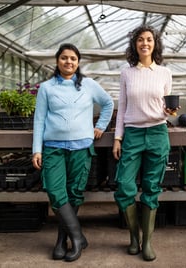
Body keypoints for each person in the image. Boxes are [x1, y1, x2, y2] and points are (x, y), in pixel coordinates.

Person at [32, 43, 114, 262]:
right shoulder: (46, 88)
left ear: (78, 63)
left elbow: (108, 103)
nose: (68, 62)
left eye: (73, 59)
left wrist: (101, 126)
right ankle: (78, 239)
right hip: (53, 149)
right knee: (55, 192)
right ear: (57, 61)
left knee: (74, 193)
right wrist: (36, 150)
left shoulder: (88, 85)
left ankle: (61, 241)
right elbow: (39, 119)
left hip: (81, 147)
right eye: (64, 58)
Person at [112, 25, 177, 261]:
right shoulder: (126, 73)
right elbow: (122, 110)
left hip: (158, 132)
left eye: (149, 39)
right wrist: (118, 138)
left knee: (151, 187)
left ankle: (147, 242)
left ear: (155, 44)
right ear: (135, 45)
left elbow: (168, 109)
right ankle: (133, 237)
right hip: (133, 134)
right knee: (124, 186)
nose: (145, 43)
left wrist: (171, 112)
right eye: (140, 40)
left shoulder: (164, 73)